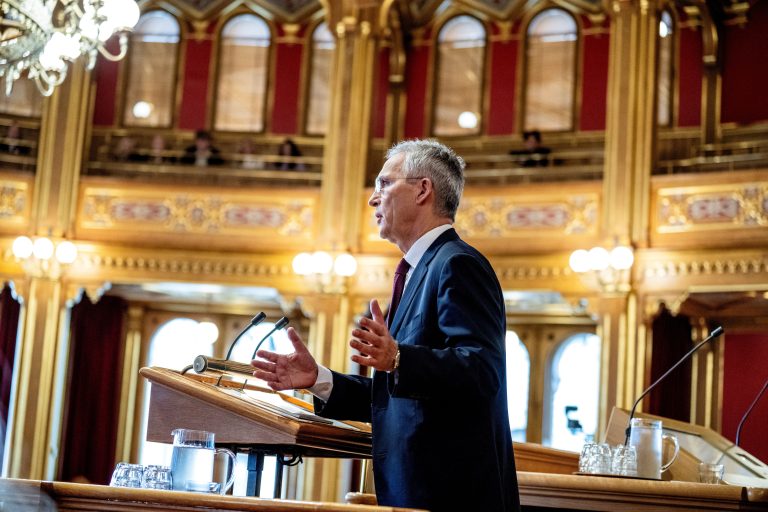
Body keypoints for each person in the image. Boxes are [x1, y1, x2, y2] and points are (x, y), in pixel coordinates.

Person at [252, 139, 520, 512]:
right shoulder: (418, 272)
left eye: (384, 184)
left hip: (451, 497)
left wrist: (398, 358)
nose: (372, 199)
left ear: (423, 189)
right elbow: (400, 397)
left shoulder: (457, 264)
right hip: (416, 493)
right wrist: (319, 379)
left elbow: (481, 371)